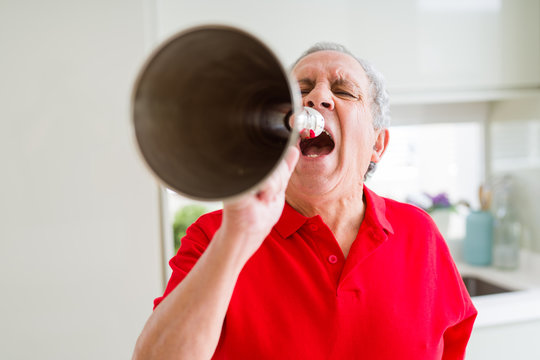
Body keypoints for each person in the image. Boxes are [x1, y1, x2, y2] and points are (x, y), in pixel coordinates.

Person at [133, 43, 477, 360]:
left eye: (343, 91)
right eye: (301, 90)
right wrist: (237, 236)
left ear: (377, 145)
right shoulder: (214, 237)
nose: (317, 99)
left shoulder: (420, 233)